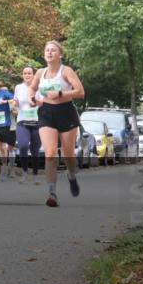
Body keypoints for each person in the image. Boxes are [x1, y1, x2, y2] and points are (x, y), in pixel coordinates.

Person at [30, 40, 85, 207]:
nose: (49, 53)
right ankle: (52, 193)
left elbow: (81, 92)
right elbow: (32, 88)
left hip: (66, 113)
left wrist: (60, 93)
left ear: (60, 55)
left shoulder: (66, 71)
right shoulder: (40, 72)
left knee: (68, 154)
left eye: (53, 50)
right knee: (51, 153)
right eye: (47, 50)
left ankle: (71, 176)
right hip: (46, 113)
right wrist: (33, 99)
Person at [14, 66, 41, 184]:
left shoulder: (39, 88)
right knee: (23, 146)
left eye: (29, 73)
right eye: (25, 73)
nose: (27, 75)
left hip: (36, 122)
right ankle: (25, 172)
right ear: (22, 75)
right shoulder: (18, 87)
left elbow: (44, 102)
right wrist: (14, 104)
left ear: (33, 75)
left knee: (35, 150)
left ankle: (35, 175)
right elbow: (16, 103)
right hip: (22, 121)